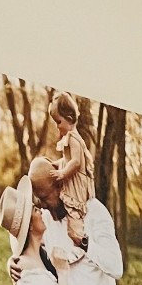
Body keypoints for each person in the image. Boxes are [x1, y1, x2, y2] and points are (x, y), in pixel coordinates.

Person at [13, 158, 124, 285]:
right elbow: (33, 246)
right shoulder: (48, 218)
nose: (41, 205)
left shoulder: (95, 211)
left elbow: (116, 267)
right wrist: (15, 261)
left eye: (44, 197)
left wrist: (84, 242)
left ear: (59, 185)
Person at [0, 182, 63, 285]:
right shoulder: (27, 269)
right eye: (35, 210)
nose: (40, 211)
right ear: (30, 226)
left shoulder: (42, 255)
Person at [49, 94, 94, 234]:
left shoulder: (73, 138)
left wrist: (62, 173)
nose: (57, 127)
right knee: (70, 217)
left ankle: (81, 239)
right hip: (73, 182)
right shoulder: (70, 137)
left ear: (69, 119)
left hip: (77, 186)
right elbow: (68, 160)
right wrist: (57, 164)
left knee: (75, 215)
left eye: (58, 122)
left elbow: (75, 162)